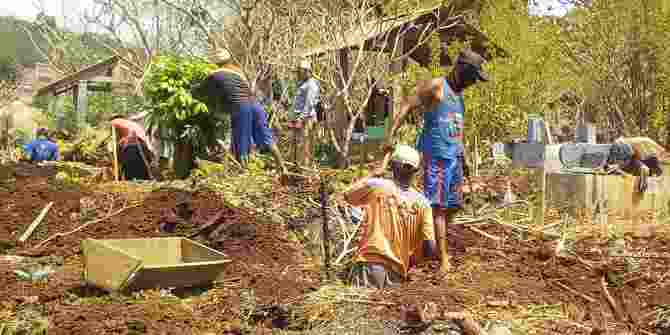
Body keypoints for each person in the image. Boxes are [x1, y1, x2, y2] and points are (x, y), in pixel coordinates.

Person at [386, 49, 490, 271]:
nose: (473, 83)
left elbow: (456, 128)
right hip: (437, 158)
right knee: (438, 207)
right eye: (472, 77)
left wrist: (463, 157)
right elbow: (407, 103)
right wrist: (390, 134)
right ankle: (442, 257)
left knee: (453, 205)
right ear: (462, 70)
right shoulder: (436, 86)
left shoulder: (458, 94)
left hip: (454, 158)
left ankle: (431, 245)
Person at [344, 144, 437, 289]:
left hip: (370, 264)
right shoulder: (423, 204)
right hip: (397, 274)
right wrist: (411, 260)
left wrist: (374, 173)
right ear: (416, 171)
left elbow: (348, 195)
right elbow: (430, 247)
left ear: (393, 166)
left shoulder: (377, 186)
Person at [197, 48, 287, 174]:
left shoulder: (215, 74)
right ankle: (282, 167)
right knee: (267, 138)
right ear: (229, 59)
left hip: (240, 107)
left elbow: (199, 92)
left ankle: (244, 174)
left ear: (216, 62)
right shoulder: (238, 71)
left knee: (241, 143)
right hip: (256, 105)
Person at [290, 59, 320, 166]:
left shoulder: (311, 84)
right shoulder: (302, 84)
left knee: (305, 146)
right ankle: (299, 167)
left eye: (301, 71)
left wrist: (301, 119)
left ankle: (306, 170)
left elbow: (309, 104)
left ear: (307, 71)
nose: (299, 73)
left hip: (306, 119)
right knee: (298, 146)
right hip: (299, 118)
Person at [110, 115, 154, 181]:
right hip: (142, 146)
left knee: (130, 170)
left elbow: (115, 139)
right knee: (141, 170)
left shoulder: (115, 122)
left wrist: (115, 151)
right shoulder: (131, 123)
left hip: (131, 147)